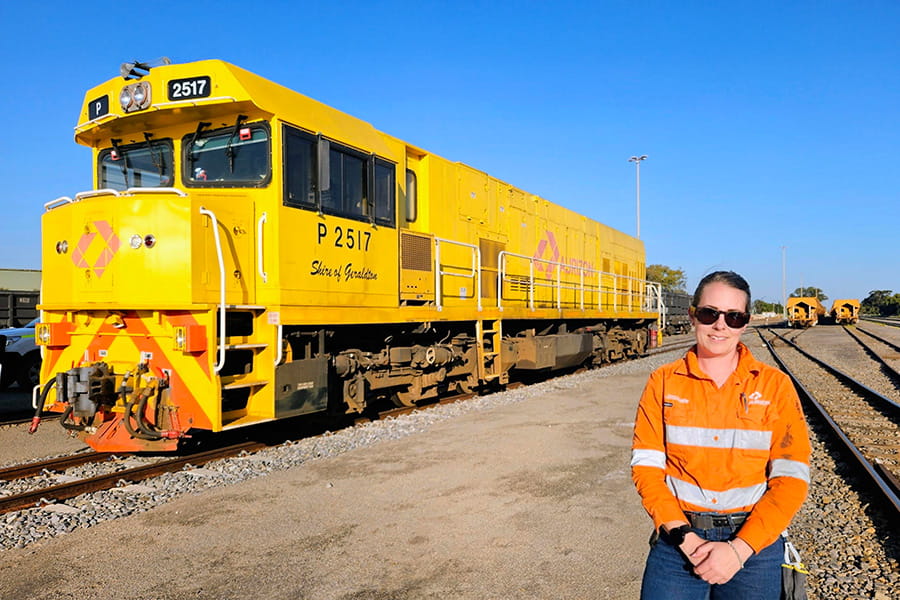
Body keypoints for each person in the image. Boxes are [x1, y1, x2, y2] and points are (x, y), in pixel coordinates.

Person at [631, 271, 811, 599]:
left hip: (755, 544)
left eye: (734, 316)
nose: (720, 325)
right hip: (678, 542)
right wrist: (685, 537)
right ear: (692, 316)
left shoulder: (775, 386)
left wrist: (739, 550)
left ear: (746, 322)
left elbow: (792, 477)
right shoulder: (663, 382)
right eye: (709, 313)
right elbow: (647, 468)